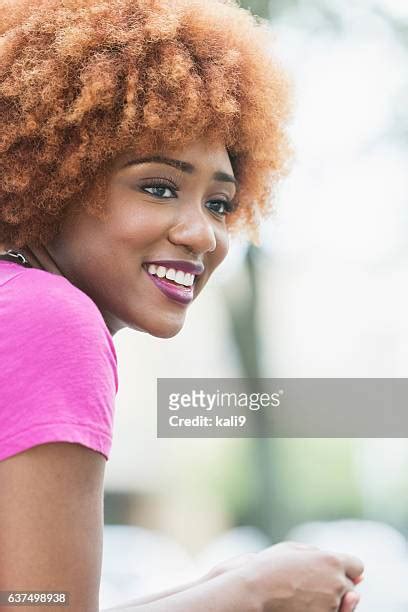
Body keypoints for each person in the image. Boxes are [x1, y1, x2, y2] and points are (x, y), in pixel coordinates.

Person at [0, 0, 364, 610]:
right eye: (159, 187)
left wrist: (215, 587)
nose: (202, 235)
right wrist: (250, 594)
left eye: (220, 204)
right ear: (47, 175)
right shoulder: (51, 320)